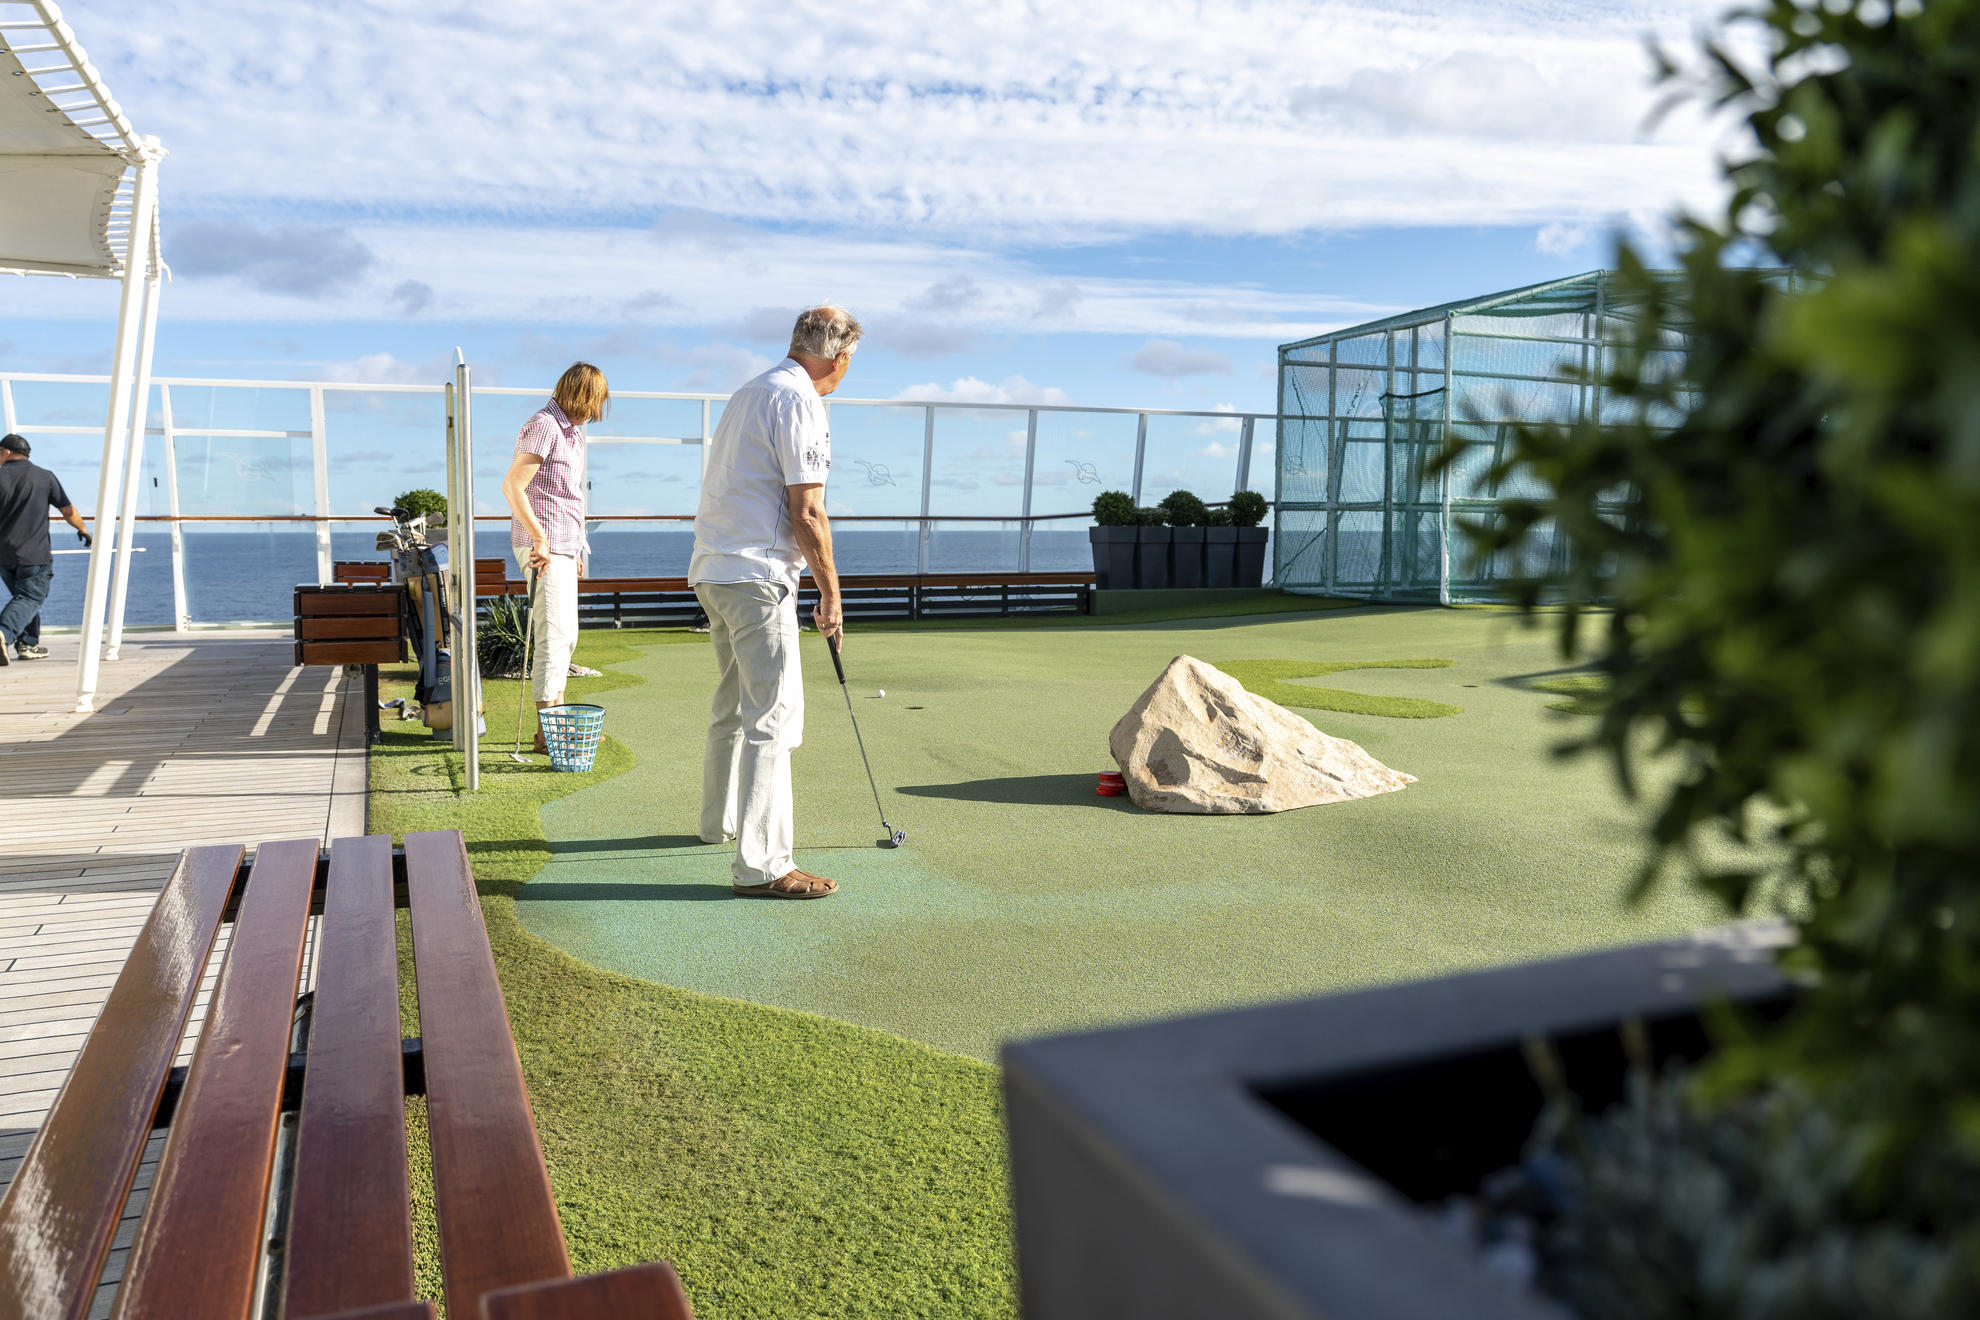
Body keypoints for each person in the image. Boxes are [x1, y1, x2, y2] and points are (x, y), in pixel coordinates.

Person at [689, 305, 859, 899]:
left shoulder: (749, 391)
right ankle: (764, 865)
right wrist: (831, 596)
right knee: (772, 718)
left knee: (735, 704)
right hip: (759, 574)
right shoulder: (802, 400)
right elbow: (807, 510)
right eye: (849, 363)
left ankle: (718, 825)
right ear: (838, 357)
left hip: (714, 569)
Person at [500, 363, 606, 751]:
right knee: (553, 636)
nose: (593, 413)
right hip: (541, 546)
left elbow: (567, 497)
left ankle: (555, 723)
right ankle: (549, 734)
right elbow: (513, 486)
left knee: (566, 636)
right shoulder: (544, 425)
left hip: (562, 545)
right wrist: (539, 538)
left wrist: (575, 546)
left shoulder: (573, 434)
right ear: (576, 395)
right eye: (591, 403)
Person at [0, 434, 91, 666]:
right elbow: (68, 510)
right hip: (33, 554)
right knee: (30, 597)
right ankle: (3, 633)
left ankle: (28, 645)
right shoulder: (44, 476)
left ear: (6, 452)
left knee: (23, 598)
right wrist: (83, 530)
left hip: (3, 555)